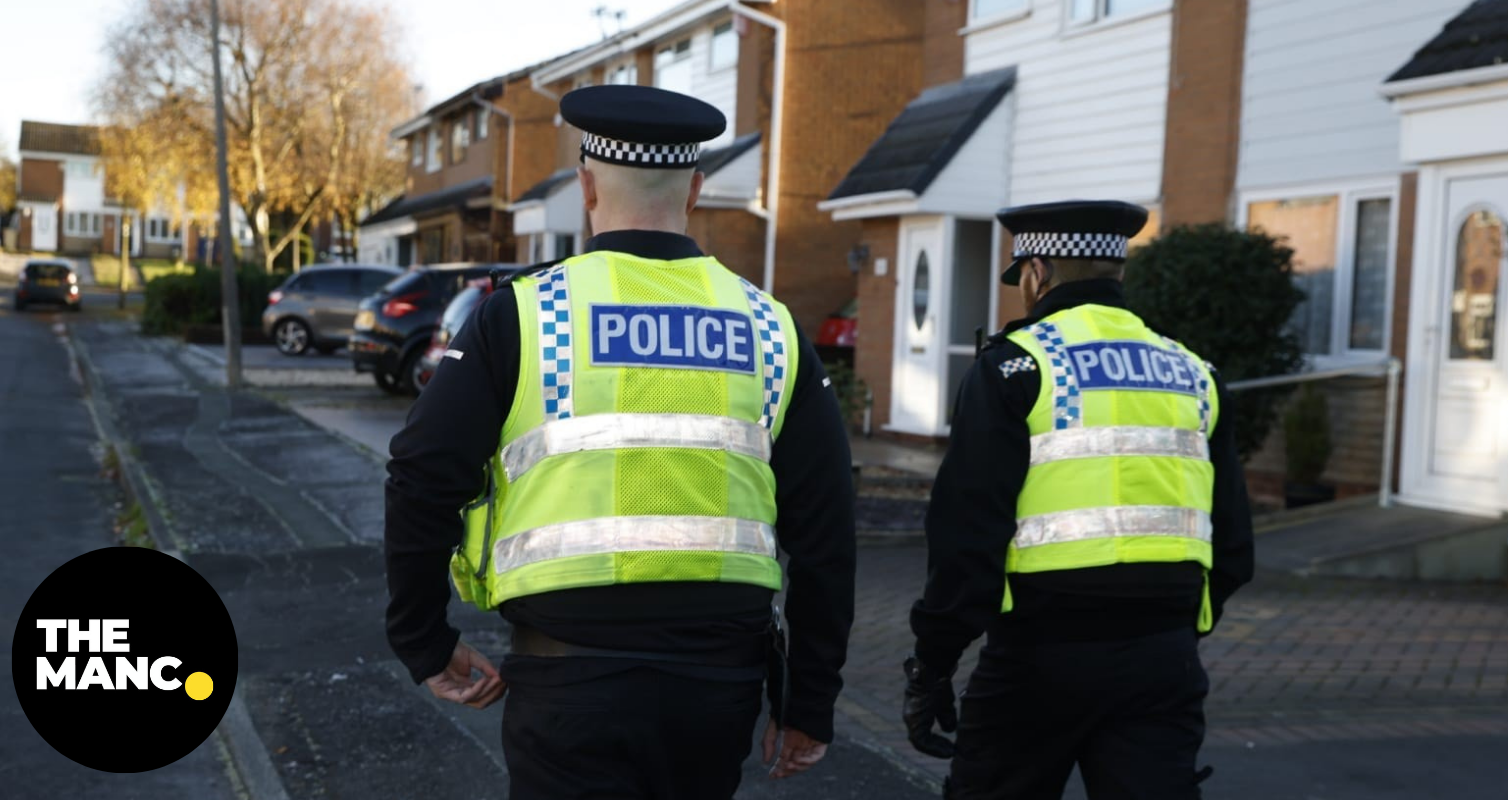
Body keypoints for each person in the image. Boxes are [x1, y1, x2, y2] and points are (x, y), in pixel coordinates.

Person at [383, 84, 856, 799]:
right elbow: (827, 532)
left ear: (586, 187)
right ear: (693, 190)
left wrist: (423, 639)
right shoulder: (771, 328)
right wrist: (808, 700)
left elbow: (422, 475)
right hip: (717, 690)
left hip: (567, 685)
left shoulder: (523, 316)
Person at [901, 200, 1255, 799]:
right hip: (1163, 655)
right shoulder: (1195, 373)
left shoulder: (1018, 366)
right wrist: (1174, 631)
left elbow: (968, 535)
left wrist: (933, 662)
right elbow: (1234, 542)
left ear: (1037, 273)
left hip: (1040, 654)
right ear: (1116, 270)